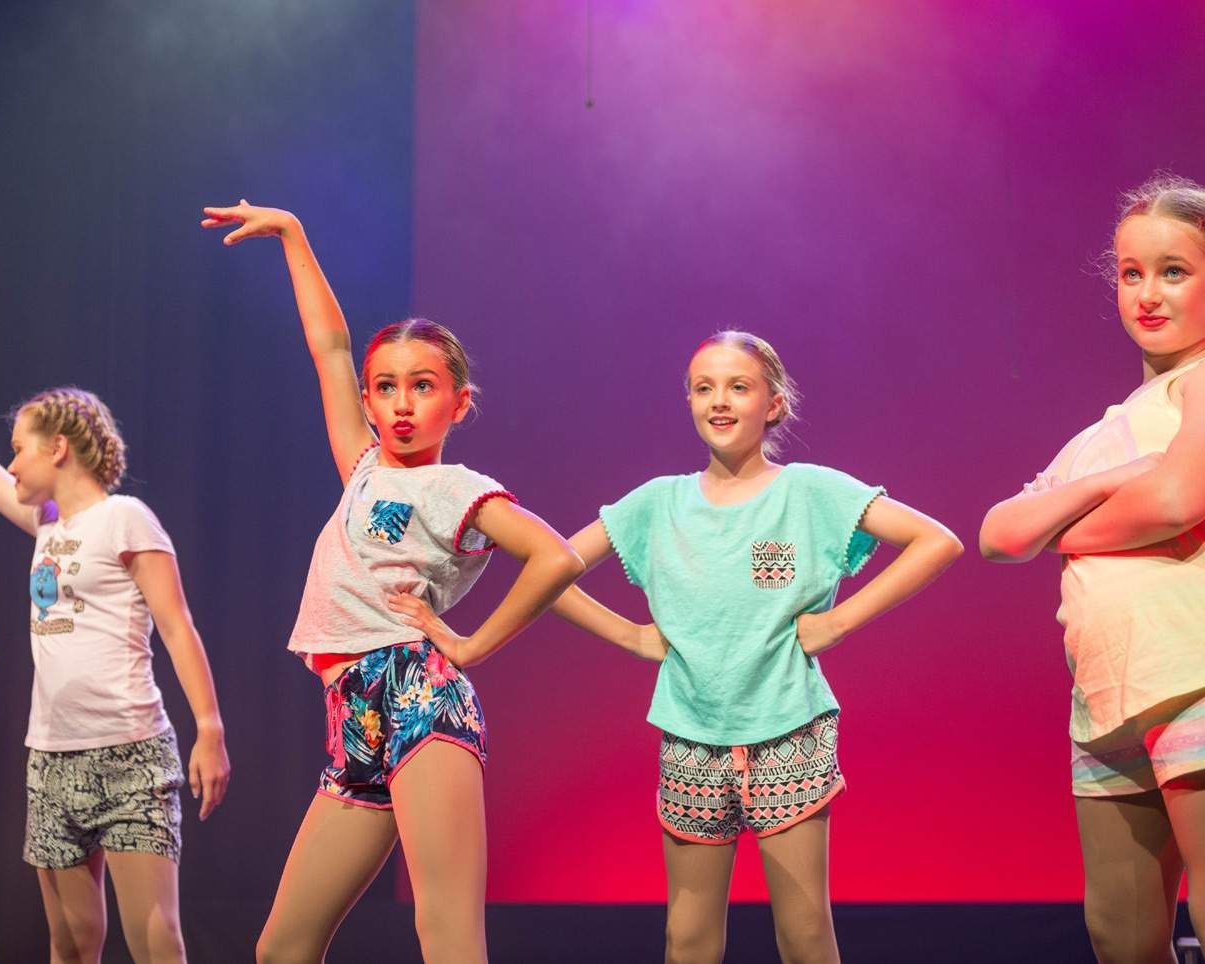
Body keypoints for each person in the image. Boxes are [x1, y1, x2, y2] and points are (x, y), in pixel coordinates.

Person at [204, 200, 585, 964]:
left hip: (417, 692)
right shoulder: (366, 469)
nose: (400, 404)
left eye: (422, 386)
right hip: (354, 715)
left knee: (445, 937)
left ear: (458, 402)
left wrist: (470, 645)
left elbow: (556, 557)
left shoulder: (456, 487)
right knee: (281, 949)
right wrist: (294, 236)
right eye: (385, 388)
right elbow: (330, 347)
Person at [552, 330, 962, 964]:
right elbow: (546, 570)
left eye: (738, 387)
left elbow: (937, 541)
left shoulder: (810, 492)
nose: (720, 401)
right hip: (691, 733)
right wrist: (631, 635)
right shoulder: (659, 503)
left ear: (773, 404)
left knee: (803, 933)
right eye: (703, 387)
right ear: (688, 400)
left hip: (787, 729)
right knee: (686, 938)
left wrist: (840, 621)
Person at [0, 304, 229, 963]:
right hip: (51, 756)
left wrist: (209, 729)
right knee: (70, 940)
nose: (10, 464)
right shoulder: (50, 525)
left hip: (128, 751)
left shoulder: (125, 518)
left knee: (153, 936)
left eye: (21, 449)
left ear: (58, 448)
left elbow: (178, 628)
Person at [980, 174, 1205, 963]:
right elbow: (1000, 533)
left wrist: (1067, 531)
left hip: (1191, 675)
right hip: (1107, 698)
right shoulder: (1102, 436)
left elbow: (1178, 499)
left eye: (1173, 271)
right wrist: (1109, 480)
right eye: (1131, 272)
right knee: (1119, 935)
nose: (1147, 292)